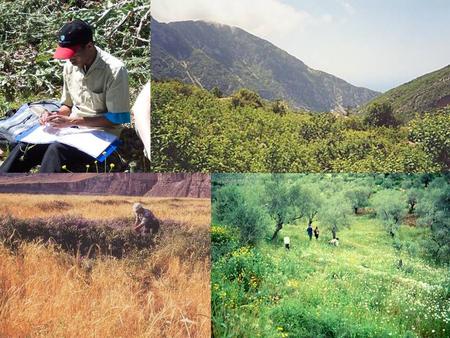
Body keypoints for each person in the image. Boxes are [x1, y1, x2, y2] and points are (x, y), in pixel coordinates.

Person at [0, 19, 130, 173]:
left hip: (102, 135)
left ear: (89, 46)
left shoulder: (115, 70)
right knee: (25, 147)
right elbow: (66, 106)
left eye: (72, 54)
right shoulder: (71, 66)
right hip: (71, 130)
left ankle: (43, 195)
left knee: (56, 150)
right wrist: (54, 116)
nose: (69, 59)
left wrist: (71, 121)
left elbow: (116, 119)